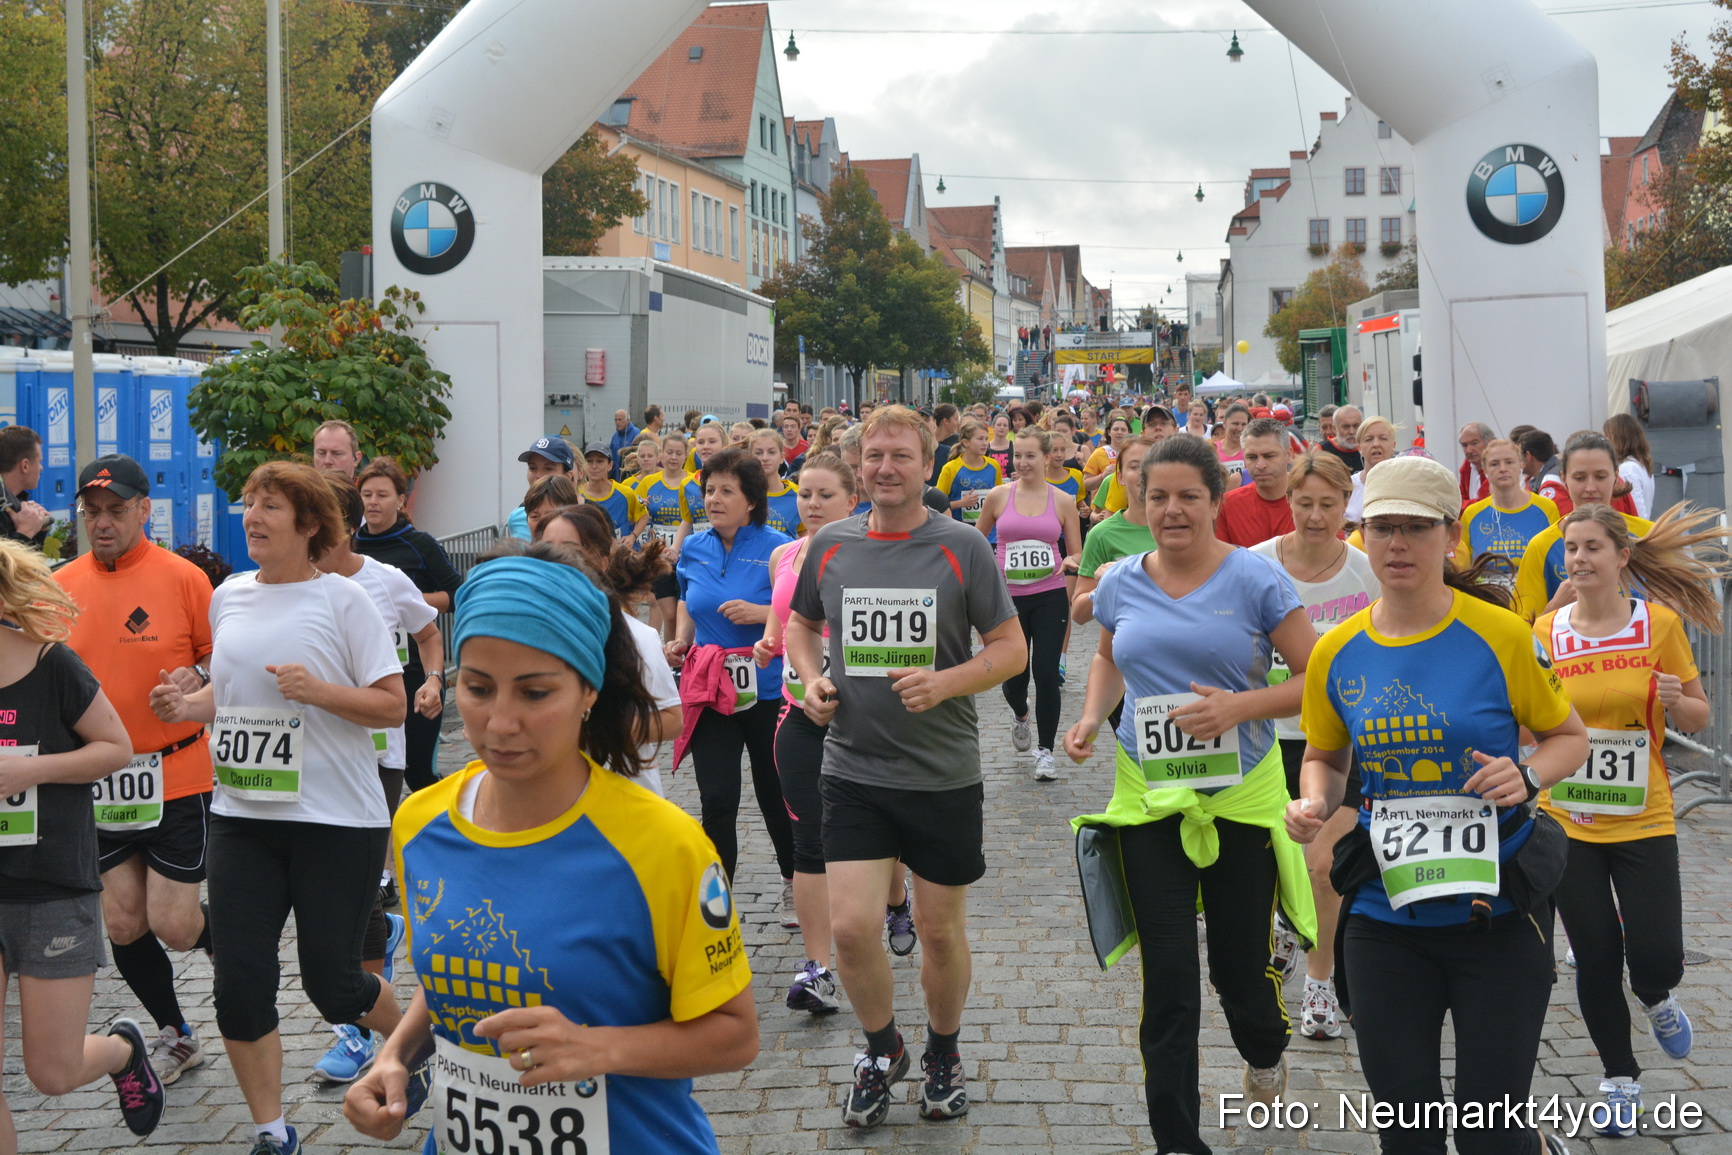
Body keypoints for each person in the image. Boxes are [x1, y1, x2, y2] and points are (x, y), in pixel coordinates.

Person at [341, 545, 758, 1154]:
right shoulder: (419, 822)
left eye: (535, 693)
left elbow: (735, 1035)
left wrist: (599, 1049)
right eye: (479, 688)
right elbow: (460, 968)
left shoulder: (662, 844)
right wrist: (396, 1055)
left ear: (588, 691)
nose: (500, 722)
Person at [1287, 454, 1588, 1155]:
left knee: (1492, 1134)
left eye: (1415, 528)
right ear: (1363, 535)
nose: (1396, 544)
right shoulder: (1336, 651)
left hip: (1500, 913)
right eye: (1383, 527)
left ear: (1449, 535)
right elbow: (1325, 756)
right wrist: (1314, 800)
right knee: (1409, 1134)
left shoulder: (1502, 635)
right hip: (1384, 917)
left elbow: (1568, 737)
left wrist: (1529, 774)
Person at [1062, 433, 1319, 1153]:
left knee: (1238, 972)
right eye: (1157, 495)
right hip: (1150, 796)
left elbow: (1314, 678)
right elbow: (1110, 658)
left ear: (1214, 502)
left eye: (1187, 496)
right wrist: (1089, 718)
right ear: (1139, 502)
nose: (1171, 509)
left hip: (1240, 797)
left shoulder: (1255, 580)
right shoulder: (1118, 580)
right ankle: (1177, 1139)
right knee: (1169, 979)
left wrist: (1238, 708)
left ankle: (1265, 1051)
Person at [149, 462, 408, 1155]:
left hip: (336, 821)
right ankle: (273, 1130)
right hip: (240, 815)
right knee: (239, 980)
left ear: (310, 523)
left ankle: (418, 1038)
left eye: (270, 506)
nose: (253, 516)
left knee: (333, 984)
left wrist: (319, 691)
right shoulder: (228, 595)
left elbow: (392, 703)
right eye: (249, 504)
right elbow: (228, 697)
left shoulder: (344, 600)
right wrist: (187, 705)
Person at [785, 405, 1024, 1129]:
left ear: (928, 464)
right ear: (859, 464)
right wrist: (810, 680)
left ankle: (943, 1050)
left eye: (901, 456)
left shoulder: (961, 547)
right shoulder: (830, 545)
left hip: (942, 772)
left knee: (940, 928)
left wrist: (947, 682)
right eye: (874, 456)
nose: (885, 468)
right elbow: (802, 625)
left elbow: (1012, 648)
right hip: (853, 767)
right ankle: (882, 1047)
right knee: (855, 928)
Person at [1534, 503, 1728, 1136]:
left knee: (1658, 956)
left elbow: (1699, 717)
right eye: (1572, 549)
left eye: (1593, 547)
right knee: (1594, 956)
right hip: (1568, 819)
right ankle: (1619, 1077)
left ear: (1622, 558)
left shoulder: (1659, 624)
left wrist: (1678, 700)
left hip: (1645, 816)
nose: (1581, 559)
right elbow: (1529, 722)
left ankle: (1656, 996)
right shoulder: (1545, 631)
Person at [55, 455, 215, 1085]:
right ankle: (175, 1032)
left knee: (174, 923)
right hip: (99, 780)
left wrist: (196, 676)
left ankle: (237, 950)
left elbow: (219, 653)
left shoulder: (183, 579)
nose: (102, 523)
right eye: (91, 512)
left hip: (174, 772)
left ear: (144, 510)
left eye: (116, 511)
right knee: (123, 919)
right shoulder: (60, 585)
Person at [755, 453, 914, 1014]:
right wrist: (769, 644)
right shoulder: (784, 554)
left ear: (854, 500)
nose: (812, 505)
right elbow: (786, 622)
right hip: (799, 712)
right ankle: (818, 968)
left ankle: (896, 898)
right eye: (805, 495)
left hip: (866, 716)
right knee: (808, 841)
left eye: (825, 495)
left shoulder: (870, 553)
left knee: (880, 829)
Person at [310, 475, 443, 1082]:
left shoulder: (383, 580)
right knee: (341, 892)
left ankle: (358, 1030)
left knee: (348, 888)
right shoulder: (290, 586)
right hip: (310, 757)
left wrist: (433, 678)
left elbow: (428, 633)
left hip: (376, 751)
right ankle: (378, 942)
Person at [1247, 449, 1379, 1041]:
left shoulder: (1369, 570)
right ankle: (1283, 916)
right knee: (1278, 861)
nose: (1316, 516)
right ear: (1288, 503)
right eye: (1305, 504)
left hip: (1344, 741)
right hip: (1265, 737)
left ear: (1347, 506)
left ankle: (1321, 985)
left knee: (1325, 866)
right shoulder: (1256, 567)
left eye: (1329, 504)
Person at [666, 448, 797, 920]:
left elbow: (801, 610)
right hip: (711, 690)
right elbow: (688, 600)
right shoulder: (695, 548)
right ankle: (717, 903)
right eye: (708, 490)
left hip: (766, 691)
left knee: (775, 794)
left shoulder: (777, 548)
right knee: (717, 799)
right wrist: (680, 640)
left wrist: (761, 614)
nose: (713, 499)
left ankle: (793, 882)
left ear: (751, 499)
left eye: (726, 491)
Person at [535, 504, 682, 797]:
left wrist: (592, 726)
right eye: (545, 549)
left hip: (623, 801)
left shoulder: (635, 637)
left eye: (570, 549)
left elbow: (671, 720)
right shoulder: (525, 633)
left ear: (602, 562)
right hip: (548, 801)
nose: (555, 560)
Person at [354, 456, 464, 794]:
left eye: (382, 495)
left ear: (401, 500)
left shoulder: (418, 544)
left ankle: (444, 833)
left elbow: (457, 594)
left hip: (414, 672)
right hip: (366, 674)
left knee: (418, 774)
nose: (373, 502)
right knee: (367, 774)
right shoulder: (349, 546)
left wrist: (406, 602)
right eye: (367, 494)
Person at [977, 429, 1083, 781]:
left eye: (1029, 456)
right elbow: (976, 542)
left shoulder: (1062, 501)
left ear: (1047, 455)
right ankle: (1021, 714)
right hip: (1008, 600)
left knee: (1046, 673)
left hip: (1050, 595)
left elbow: (1077, 550)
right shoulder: (998, 496)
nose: (1022, 462)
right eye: (1017, 455)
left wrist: (1071, 563)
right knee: (1014, 677)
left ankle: (1046, 752)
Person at [1515, 431, 1654, 622]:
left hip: (1635, 652)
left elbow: (1672, 605)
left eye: (1600, 476)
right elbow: (1523, 631)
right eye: (1579, 478)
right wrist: (1556, 608)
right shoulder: (1541, 546)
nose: (1590, 487)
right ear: (1564, 478)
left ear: (1615, 476)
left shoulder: (1647, 535)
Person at [1460, 438, 1560, 590]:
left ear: (1521, 464)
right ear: (1485, 470)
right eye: (1494, 464)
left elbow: (1556, 562)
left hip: (1533, 603)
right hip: (1488, 602)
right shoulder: (1472, 514)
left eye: (1509, 462)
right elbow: (1464, 568)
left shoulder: (1546, 508)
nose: (1502, 469)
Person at [1216, 417, 1295, 547]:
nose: (1260, 465)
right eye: (1252, 457)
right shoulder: (1227, 505)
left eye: (1269, 456)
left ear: (1288, 454)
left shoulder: (1314, 501)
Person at [505, 437, 576, 541]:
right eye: (532, 468)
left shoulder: (589, 516)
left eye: (548, 468)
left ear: (568, 476)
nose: (538, 475)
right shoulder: (516, 517)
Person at [935, 420, 1002, 526]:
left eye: (986, 439)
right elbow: (936, 505)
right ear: (966, 442)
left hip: (990, 532)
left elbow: (1000, 499)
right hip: (961, 530)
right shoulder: (951, 468)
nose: (985, 443)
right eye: (980, 439)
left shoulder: (994, 465)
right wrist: (961, 503)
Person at [577, 442, 648, 540]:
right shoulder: (577, 494)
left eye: (600, 461)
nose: (594, 466)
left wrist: (633, 536)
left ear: (610, 465)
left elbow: (644, 515)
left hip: (619, 553)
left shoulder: (625, 493)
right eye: (589, 461)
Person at [1343, 415, 1401, 525]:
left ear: (1393, 445)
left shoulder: (1404, 484)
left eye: (1383, 438)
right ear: (1359, 448)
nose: (1376, 444)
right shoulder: (1347, 486)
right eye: (1369, 439)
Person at [0, 427, 48, 548]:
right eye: (39, 461)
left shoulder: (13, 504)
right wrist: (25, 532)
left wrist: (38, 531)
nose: (41, 468)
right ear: (25, 465)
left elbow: (31, 564)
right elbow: (6, 566)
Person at [1605, 412, 1656, 520]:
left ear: (1619, 439)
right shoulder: (1642, 465)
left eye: (1608, 436)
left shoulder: (1628, 469)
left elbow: (1637, 511)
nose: (1606, 441)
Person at [751, 429, 802, 537]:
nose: (765, 458)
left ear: (782, 457)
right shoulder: (742, 493)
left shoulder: (798, 495)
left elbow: (805, 539)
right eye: (758, 453)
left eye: (771, 452)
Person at [1521, 429, 1565, 506]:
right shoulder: (1557, 467)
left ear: (1528, 456)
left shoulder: (1551, 483)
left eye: (1518, 454)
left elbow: (1550, 516)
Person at [1212, 403, 1252, 487]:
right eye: (1235, 424)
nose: (1240, 428)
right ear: (1225, 423)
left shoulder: (1252, 450)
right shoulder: (1212, 449)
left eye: (1244, 424)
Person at [1318, 404, 1364, 474]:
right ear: (1335, 428)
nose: (1352, 432)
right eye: (1346, 427)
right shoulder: (1321, 450)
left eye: (1356, 426)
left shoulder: (1369, 449)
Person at [1458, 422, 1494, 507]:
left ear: (1489, 442)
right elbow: (1458, 501)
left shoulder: (1497, 467)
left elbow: (1484, 504)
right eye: (1464, 445)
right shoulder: (1467, 467)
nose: (1468, 450)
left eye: (1474, 443)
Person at [609, 408, 642, 479]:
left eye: (620, 420)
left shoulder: (636, 434)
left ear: (628, 420)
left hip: (630, 475)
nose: (617, 422)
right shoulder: (615, 436)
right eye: (616, 420)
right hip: (616, 476)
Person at [983, 413, 1014, 479]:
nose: (1002, 427)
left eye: (1005, 425)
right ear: (993, 427)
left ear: (1008, 429)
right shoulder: (985, 448)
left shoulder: (1014, 447)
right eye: (999, 425)